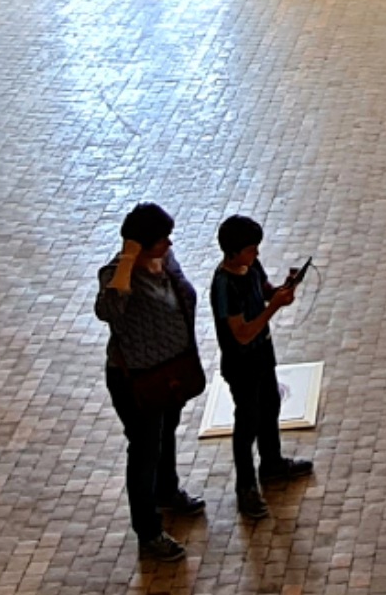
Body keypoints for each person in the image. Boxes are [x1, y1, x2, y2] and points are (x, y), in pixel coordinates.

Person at [93, 202, 205, 559]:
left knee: (165, 433)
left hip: (170, 369)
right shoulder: (117, 274)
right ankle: (148, 531)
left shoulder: (165, 262)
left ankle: (167, 491)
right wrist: (127, 261)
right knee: (143, 451)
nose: (169, 245)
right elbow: (107, 311)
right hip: (137, 380)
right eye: (161, 240)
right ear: (139, 245)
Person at [209, 214, 315, 516]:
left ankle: (272, 463)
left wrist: (283, 289)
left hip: (263, 354)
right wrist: (274, 308)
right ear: (233, 251)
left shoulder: (251, 266)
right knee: (247, 423)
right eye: (251, 249)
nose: (256, 254)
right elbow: (241, 333)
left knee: (270, 405)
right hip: (241, 362)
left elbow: (266, 289)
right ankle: (246, 487)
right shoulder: (224, 286)